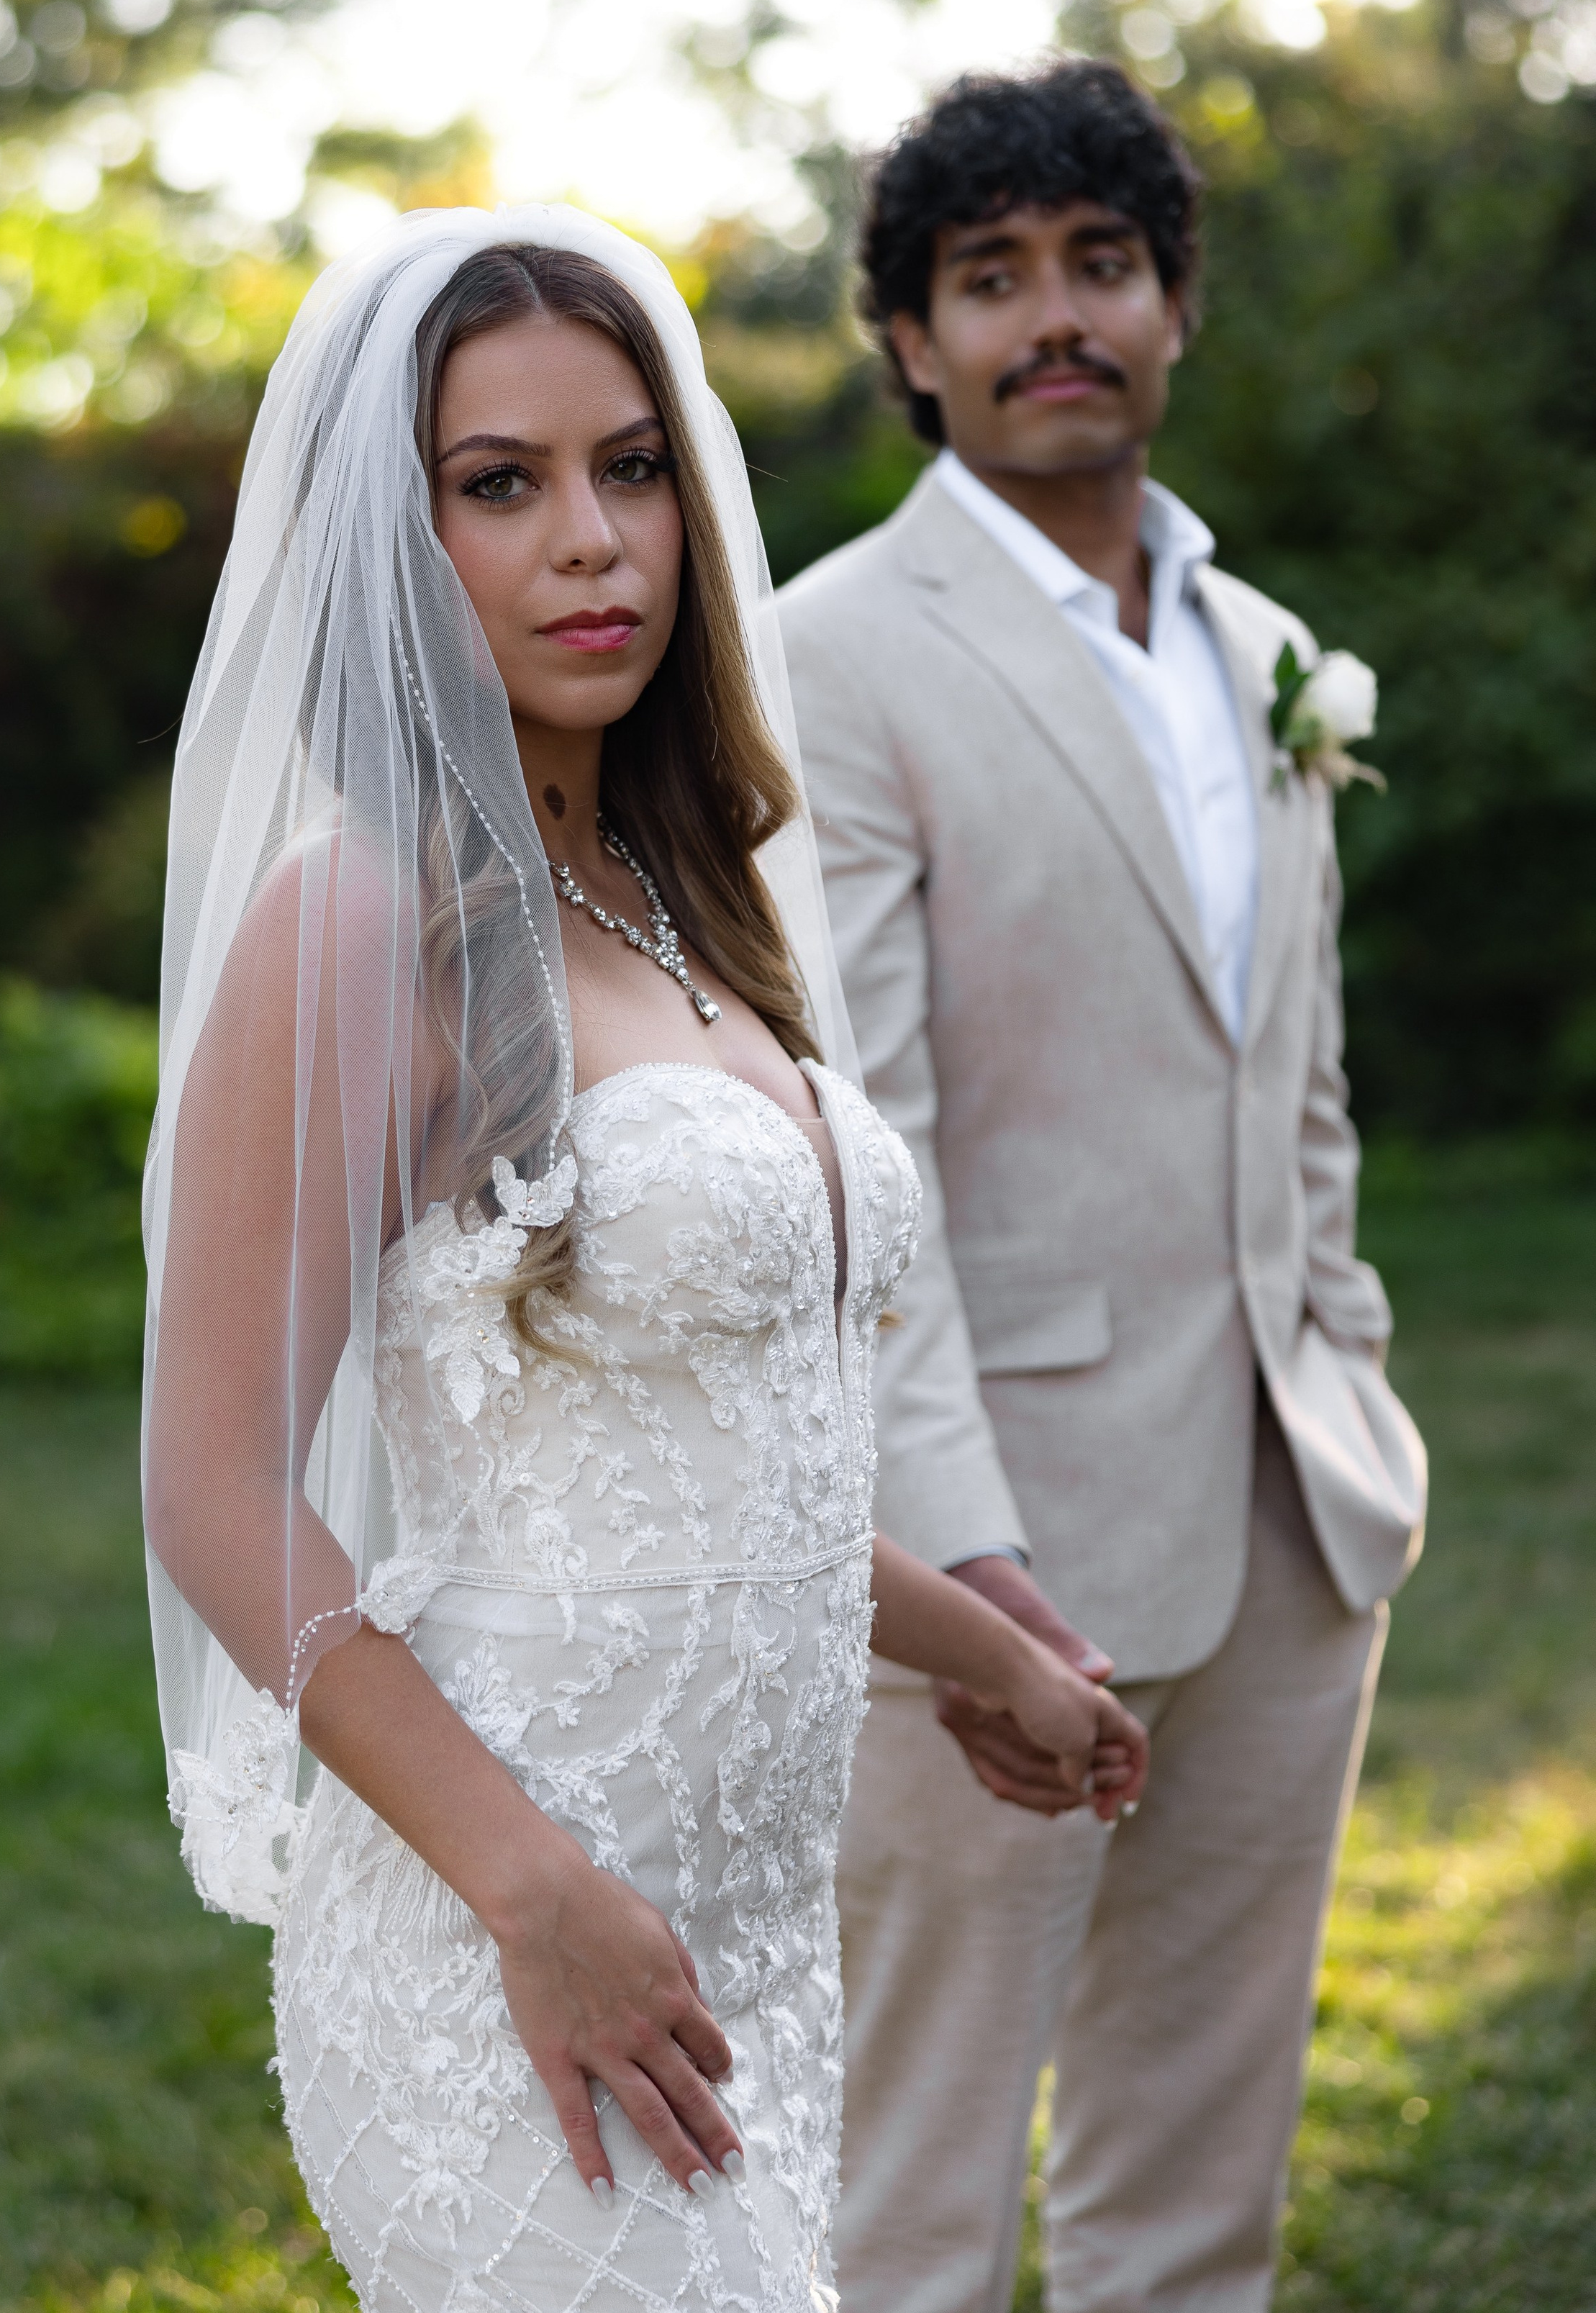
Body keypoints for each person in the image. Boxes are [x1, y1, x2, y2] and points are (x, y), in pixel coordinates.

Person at [140, 205, 1147, 2313]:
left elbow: (731, 1474)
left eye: (632, 465)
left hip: (747, 1947)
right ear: (386, 544)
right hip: (514, 1936)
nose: (592, 538)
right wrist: (534, 1893)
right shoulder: (359, 922)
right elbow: (217, 1488)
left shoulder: (691, 908)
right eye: (498, 484)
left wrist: (996, 1662)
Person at [778, 63, 1427, 2313]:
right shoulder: (833, 654)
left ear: (1175, 305)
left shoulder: (1263, 659)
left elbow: (1296, 1078)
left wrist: (1339, 1353)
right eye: (992, 279)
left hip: (1292, 1509)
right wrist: (971, 1569)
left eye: (1103, 264)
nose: (1058, 317)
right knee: (914, 2191)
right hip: (997, 1546)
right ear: (913, 344)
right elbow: (864, 1162)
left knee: (1201, 2189)